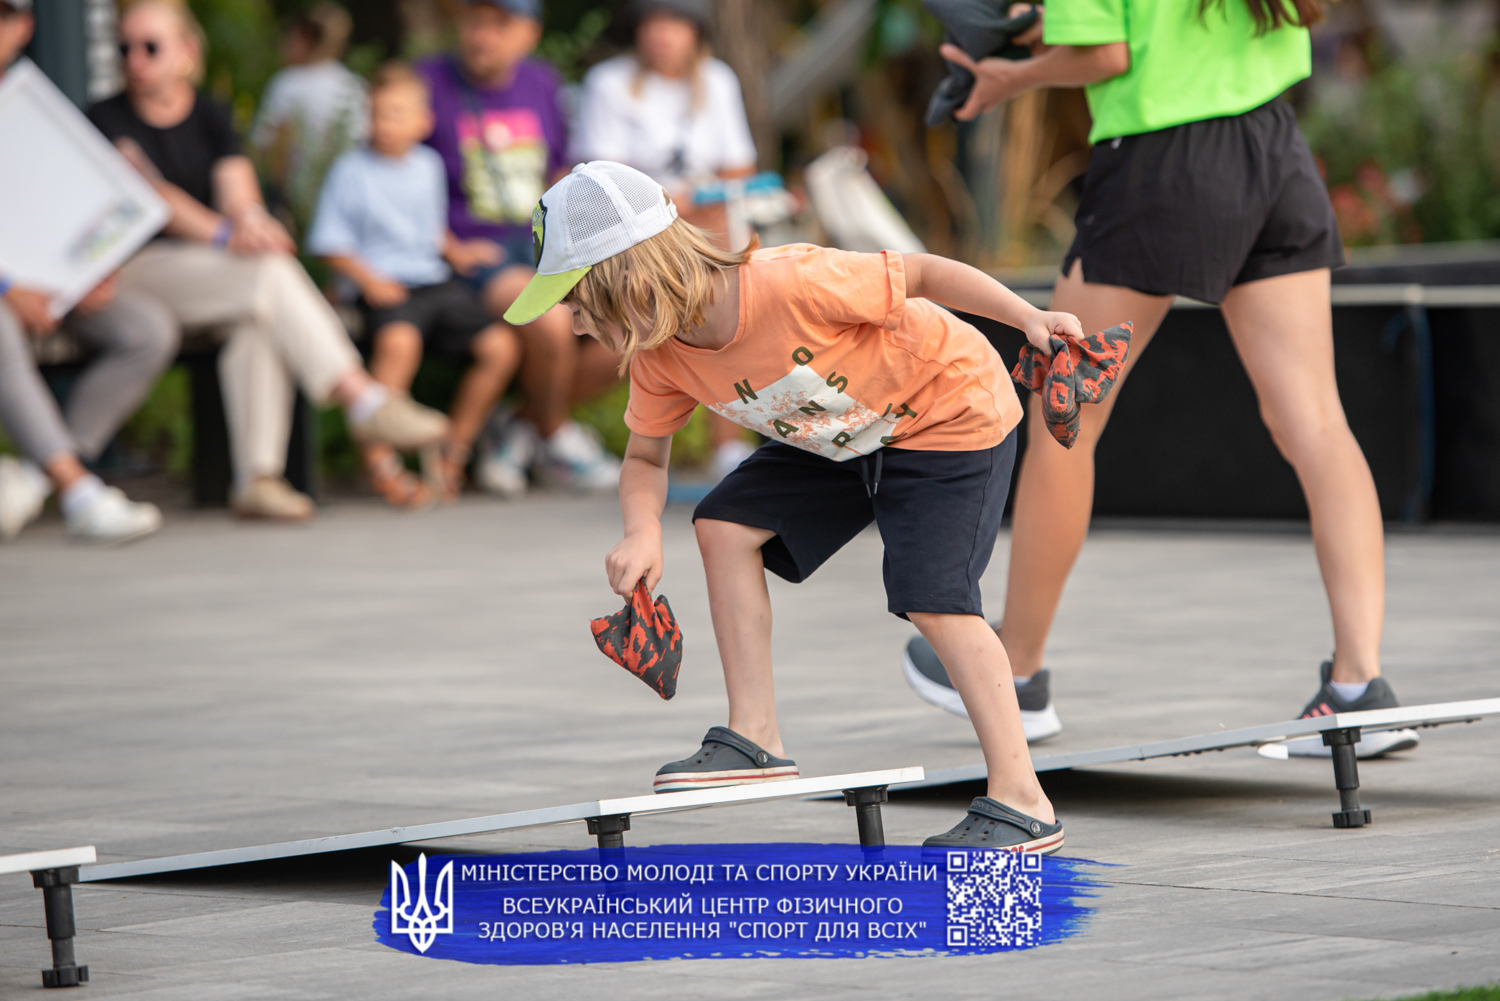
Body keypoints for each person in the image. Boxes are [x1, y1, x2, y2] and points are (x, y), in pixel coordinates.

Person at [507, 160, 1080, 850]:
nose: (573, 327)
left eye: (575, 303)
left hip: (948, 411)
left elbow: (924, 273)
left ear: (627, 280)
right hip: (847, 433)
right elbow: (645, 458)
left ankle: (1023, 798)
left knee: (935, 597)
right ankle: (756, 737)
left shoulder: (790, 282)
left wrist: (1029, 318)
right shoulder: (662, 356)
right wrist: (641, 532)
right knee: (725, 525)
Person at [900, 0, 1417, 758]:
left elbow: (1109, 54)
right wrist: (1048, 28)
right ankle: (1358, 684)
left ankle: (1017, 668)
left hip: (1159, 162)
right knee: (1315, 420)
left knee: (1065, 412)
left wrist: (1014, 77)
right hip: (1272, 150)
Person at [90, 0, 450, 521]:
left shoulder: (210, 114)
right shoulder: (105, 119)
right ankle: (363, 400)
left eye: (149, 46)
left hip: (209, 276)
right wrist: (227, 235)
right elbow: (154, 196)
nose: (134, 59)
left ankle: (258, 479)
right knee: (265, 274)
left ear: (186, 51)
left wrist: (253, 222)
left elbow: (236, 186)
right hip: (134, 274)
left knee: (258, 316)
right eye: (124, 48)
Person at [418, 0, 621, 497]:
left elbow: (560, 168)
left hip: (543, 244)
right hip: (472, 254)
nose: (482, 35)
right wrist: (445, 243)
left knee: (630, 325)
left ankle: (518, 429)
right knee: (549, 321)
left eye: (499, 24)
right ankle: (556, 436)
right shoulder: (426, 81)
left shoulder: (543, 83)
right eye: (474, 21)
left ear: (529, 33)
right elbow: (399, 175)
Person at [0, 0, 174, 544]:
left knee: (146, 330)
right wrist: (9, 288)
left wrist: (91, 270)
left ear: (24, 26)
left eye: (3, 14)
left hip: (54, 287)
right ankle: (79, 492)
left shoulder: (41, 112)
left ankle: (39, 476)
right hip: (7, 293)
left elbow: (66, 207)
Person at [308, 63, 522, 506]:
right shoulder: (350, 171)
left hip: (432, 279)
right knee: (399, 344)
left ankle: (453, 452)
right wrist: (369, 280)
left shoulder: (427, 165)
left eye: (395, 114)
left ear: (423, 122)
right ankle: (380, 462)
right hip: (380, 284)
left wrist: (457, 251)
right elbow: (329, 242)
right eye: (376, 114)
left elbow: (430, 229)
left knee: (500, 347)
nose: (383, 124)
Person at [573, 0, 761, 480]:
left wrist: (693, 200)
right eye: (653, 22)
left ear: (695, 31)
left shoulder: (717, 80)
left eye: (675, 22)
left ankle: (727, 445)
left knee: (726, 309)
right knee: (631, 331)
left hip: (701, 227)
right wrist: (670, 202)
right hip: (632, 233)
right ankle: (546, 420)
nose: (663, 34)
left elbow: (739, 167)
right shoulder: (608, 83)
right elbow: (600, 177)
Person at [249, 2, 368, 230]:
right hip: (348, 197)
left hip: (295, 203)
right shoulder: (354, 85)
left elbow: (264, 148)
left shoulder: (287, 84)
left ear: (304, 39)